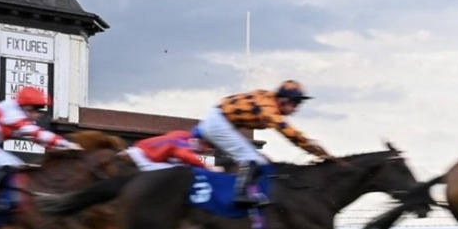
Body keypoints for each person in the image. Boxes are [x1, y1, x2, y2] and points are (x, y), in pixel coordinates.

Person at [194, 80, 332, 206]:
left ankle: (238, 188)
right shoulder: (269, 109)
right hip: (218, 122)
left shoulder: (270, 100)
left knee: (261, 161)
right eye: (295, 103)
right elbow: (289, 133)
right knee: (252, 159)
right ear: (284, 100)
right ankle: (239, 195)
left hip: (220, 121)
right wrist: (314, 150)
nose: (296, 108)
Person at [0, 86, 82, 210]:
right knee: (7, 162)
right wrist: (67, 144)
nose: (38, 115)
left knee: (15, 164)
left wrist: (62, 150)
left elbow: (39, 140)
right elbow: (36, 133)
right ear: (27, 108)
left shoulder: (16, 113)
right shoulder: (12, 114)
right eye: (36, 111)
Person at [125, 130, 214, 171]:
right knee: (177, 172)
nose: (208, 149)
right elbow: (184, 155)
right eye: (207, 145)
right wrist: (208, 166)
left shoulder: (182, 134)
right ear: (199, 141)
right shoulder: (183, 144)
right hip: (144, 159)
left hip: (136, 149)